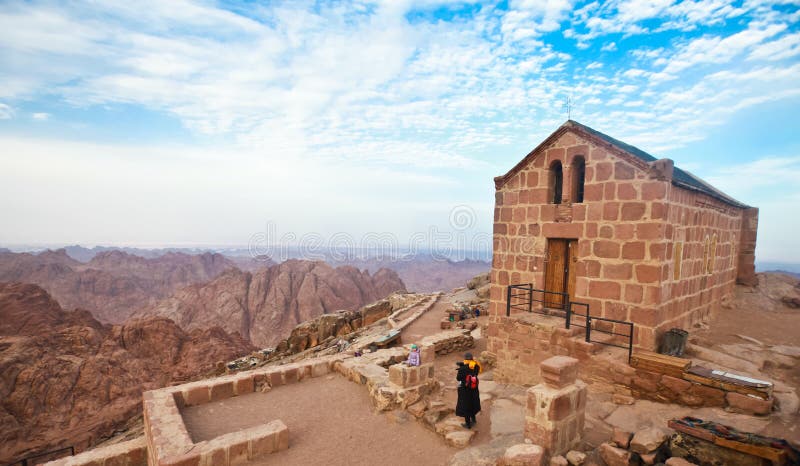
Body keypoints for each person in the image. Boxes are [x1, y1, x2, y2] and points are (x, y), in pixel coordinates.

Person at [455, 352, 482, 429]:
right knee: (473, 403)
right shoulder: (476, 366)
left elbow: (458, 378)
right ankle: (473, 419)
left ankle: (468, 424)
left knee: (466, 405)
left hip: (465, 389)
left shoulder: (462, 369)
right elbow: (474, 372)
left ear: (465, 359)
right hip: (473, 388)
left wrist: (461, 367)